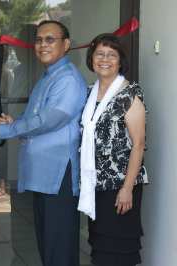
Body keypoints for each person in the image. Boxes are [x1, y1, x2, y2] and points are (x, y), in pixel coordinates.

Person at [0, 20, 87, 266]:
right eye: (38, 40)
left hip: (58, 175)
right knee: (48, 245)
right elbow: (37, 118)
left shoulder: (67, 79)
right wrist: (15, 122)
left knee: (58, 250)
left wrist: (6, 129)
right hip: (44, 176)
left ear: (66, 44)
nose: (42, 45)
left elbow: (49, 120)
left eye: (50, 39)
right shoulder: (48, 77)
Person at [79, 33, 148, 266]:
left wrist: (127, 188)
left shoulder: (129, 95)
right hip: (96, 184)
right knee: (100, 246)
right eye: (100, 53)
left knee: (119, 249)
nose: (105, 59)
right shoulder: (89, 92)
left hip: (121, 186)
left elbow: (138, 145)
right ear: (92, 58)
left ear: (120, 61)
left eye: (111, 54)